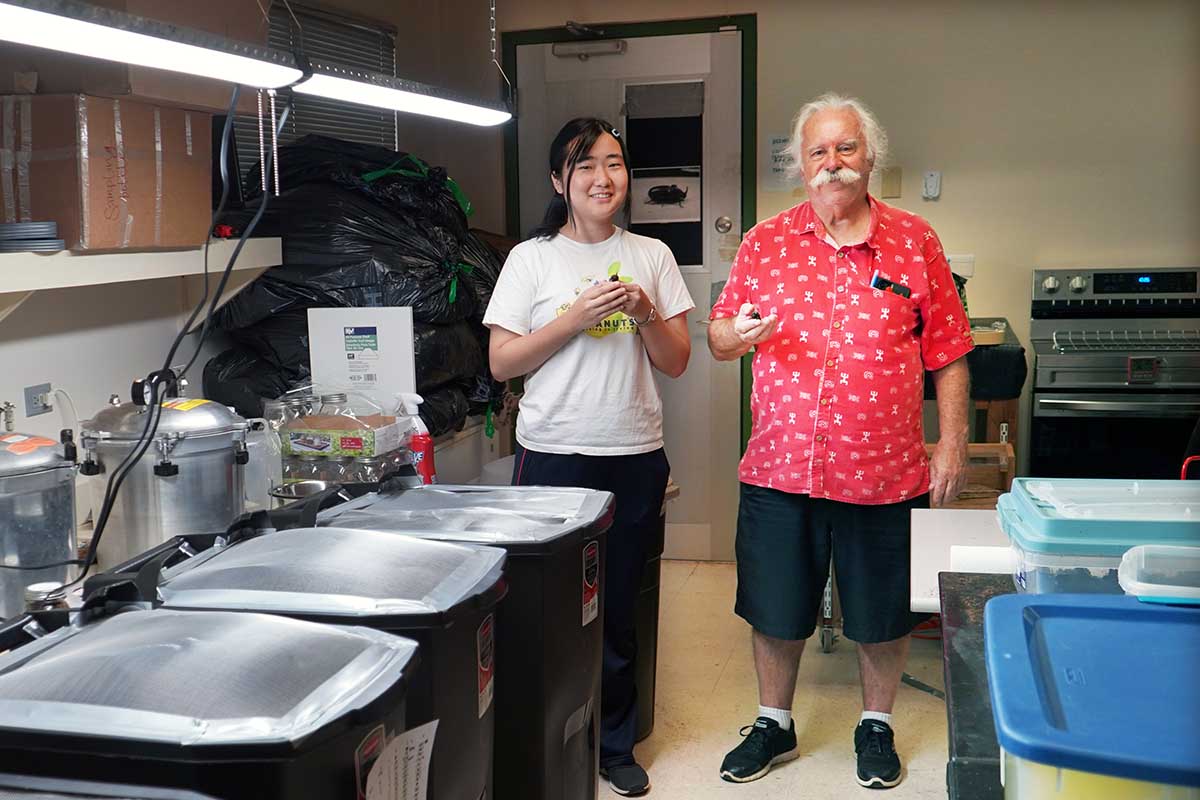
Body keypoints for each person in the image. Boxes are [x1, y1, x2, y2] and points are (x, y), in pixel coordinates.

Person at [707, 93, 973, 790]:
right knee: (774, 604)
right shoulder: (764, 242)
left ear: (870, 157)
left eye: (845, 148)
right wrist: (736, 335)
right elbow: (718, 336)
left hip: (883, 471)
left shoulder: (915, 241)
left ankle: (875, 726)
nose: (833, 163)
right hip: (778, 466)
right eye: (819, 151)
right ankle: (774, 720)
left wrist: (951, 444)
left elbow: (948, 350)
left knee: (881, 612)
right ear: (800, 165)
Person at [483, 117, 694, 796]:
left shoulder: (652, 257)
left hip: (633, 453)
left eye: (615, 164)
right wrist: (573, 317)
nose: (603, 179)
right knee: (546, 606)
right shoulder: (531, 258)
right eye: (585, 167)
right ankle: (547, 737)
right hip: (551, 455)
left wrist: (642, 313)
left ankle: (614, 741)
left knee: (620, 605)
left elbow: (677, 361)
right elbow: (501, 362)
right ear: (559, 182)